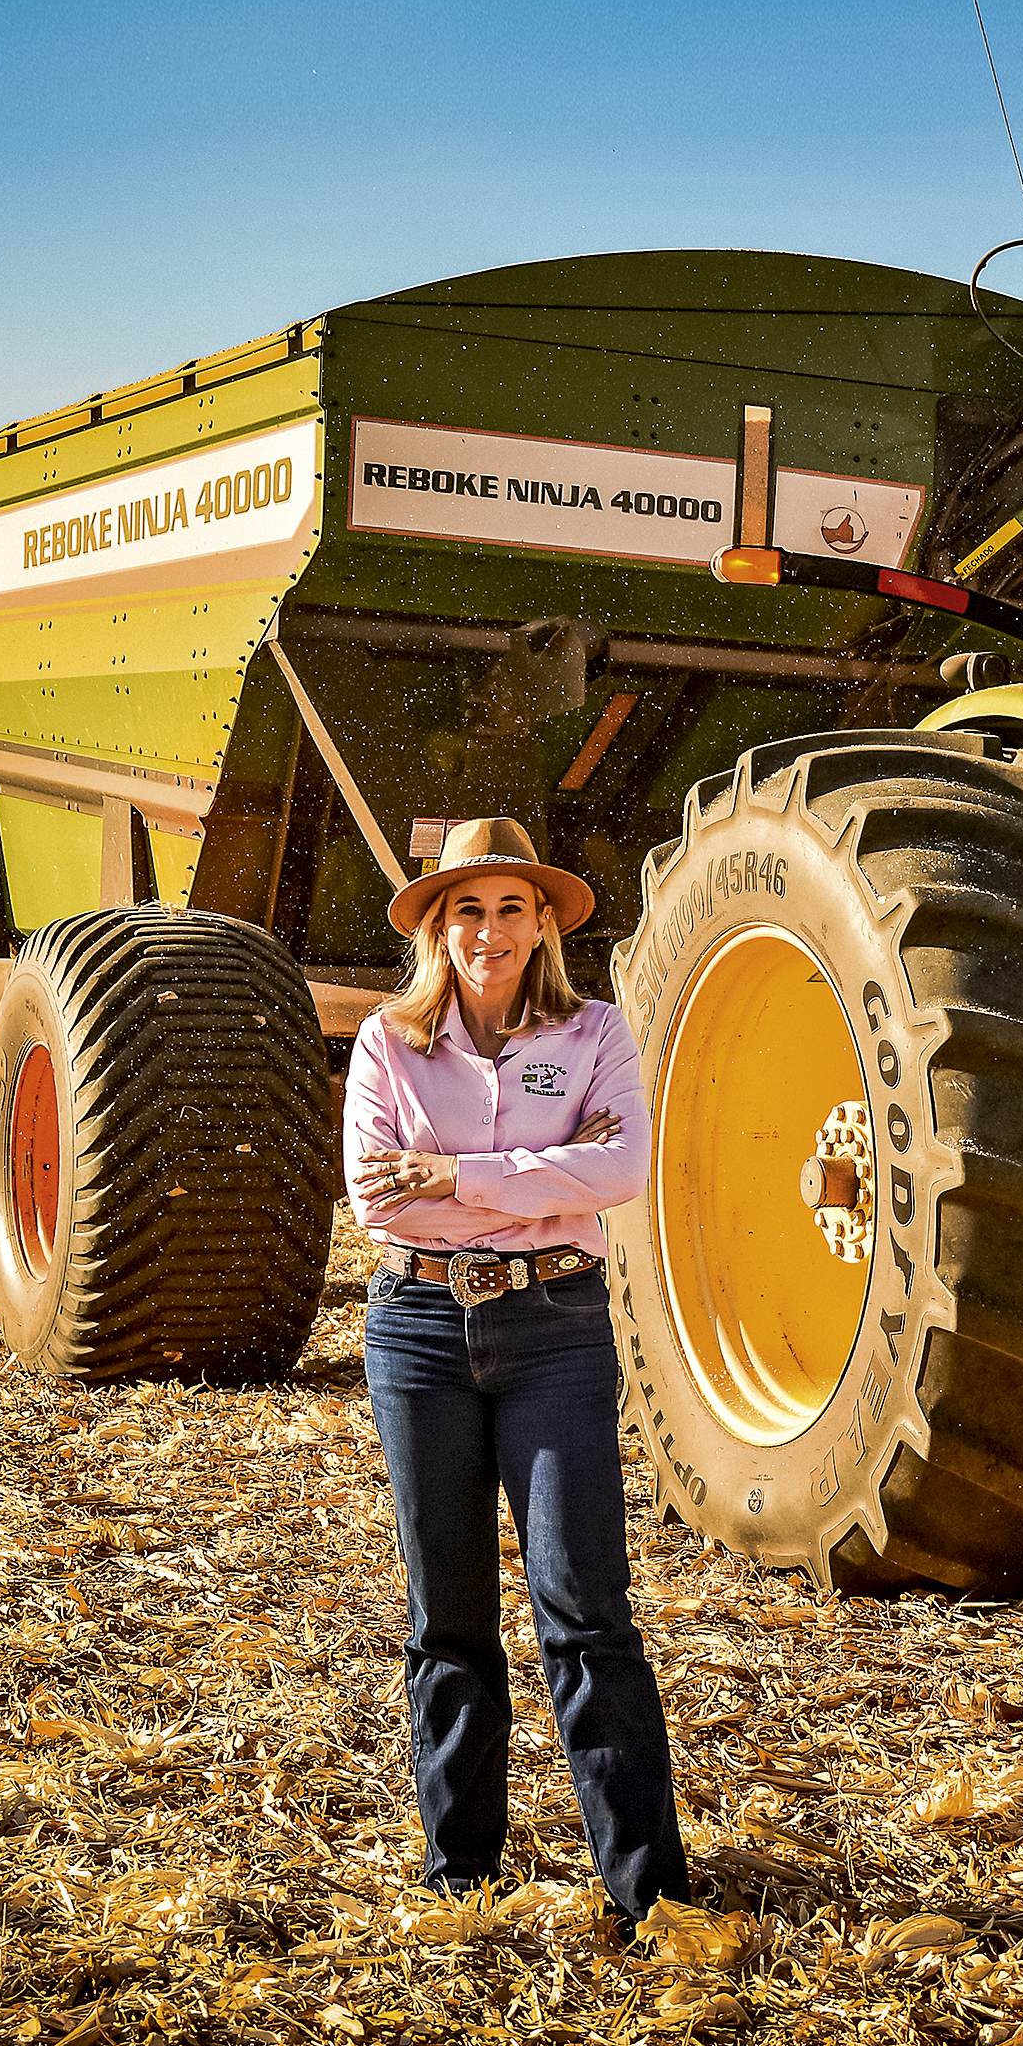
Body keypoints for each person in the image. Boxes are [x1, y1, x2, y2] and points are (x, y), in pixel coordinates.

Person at [342, 815, 690, 1925]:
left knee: (584, 1608)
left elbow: (625, 1165)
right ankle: (462, 1879)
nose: (487, 930)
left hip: (556, 1329)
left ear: (543, 924)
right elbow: (375, 1196)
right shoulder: (387, 1045)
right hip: (419, 1330)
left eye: (509, 908)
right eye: (466, 909)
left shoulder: (596, 1032)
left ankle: (649, 1895)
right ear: (438, 929)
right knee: (446, 1615)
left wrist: (455, 1171)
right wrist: (546, 1172)